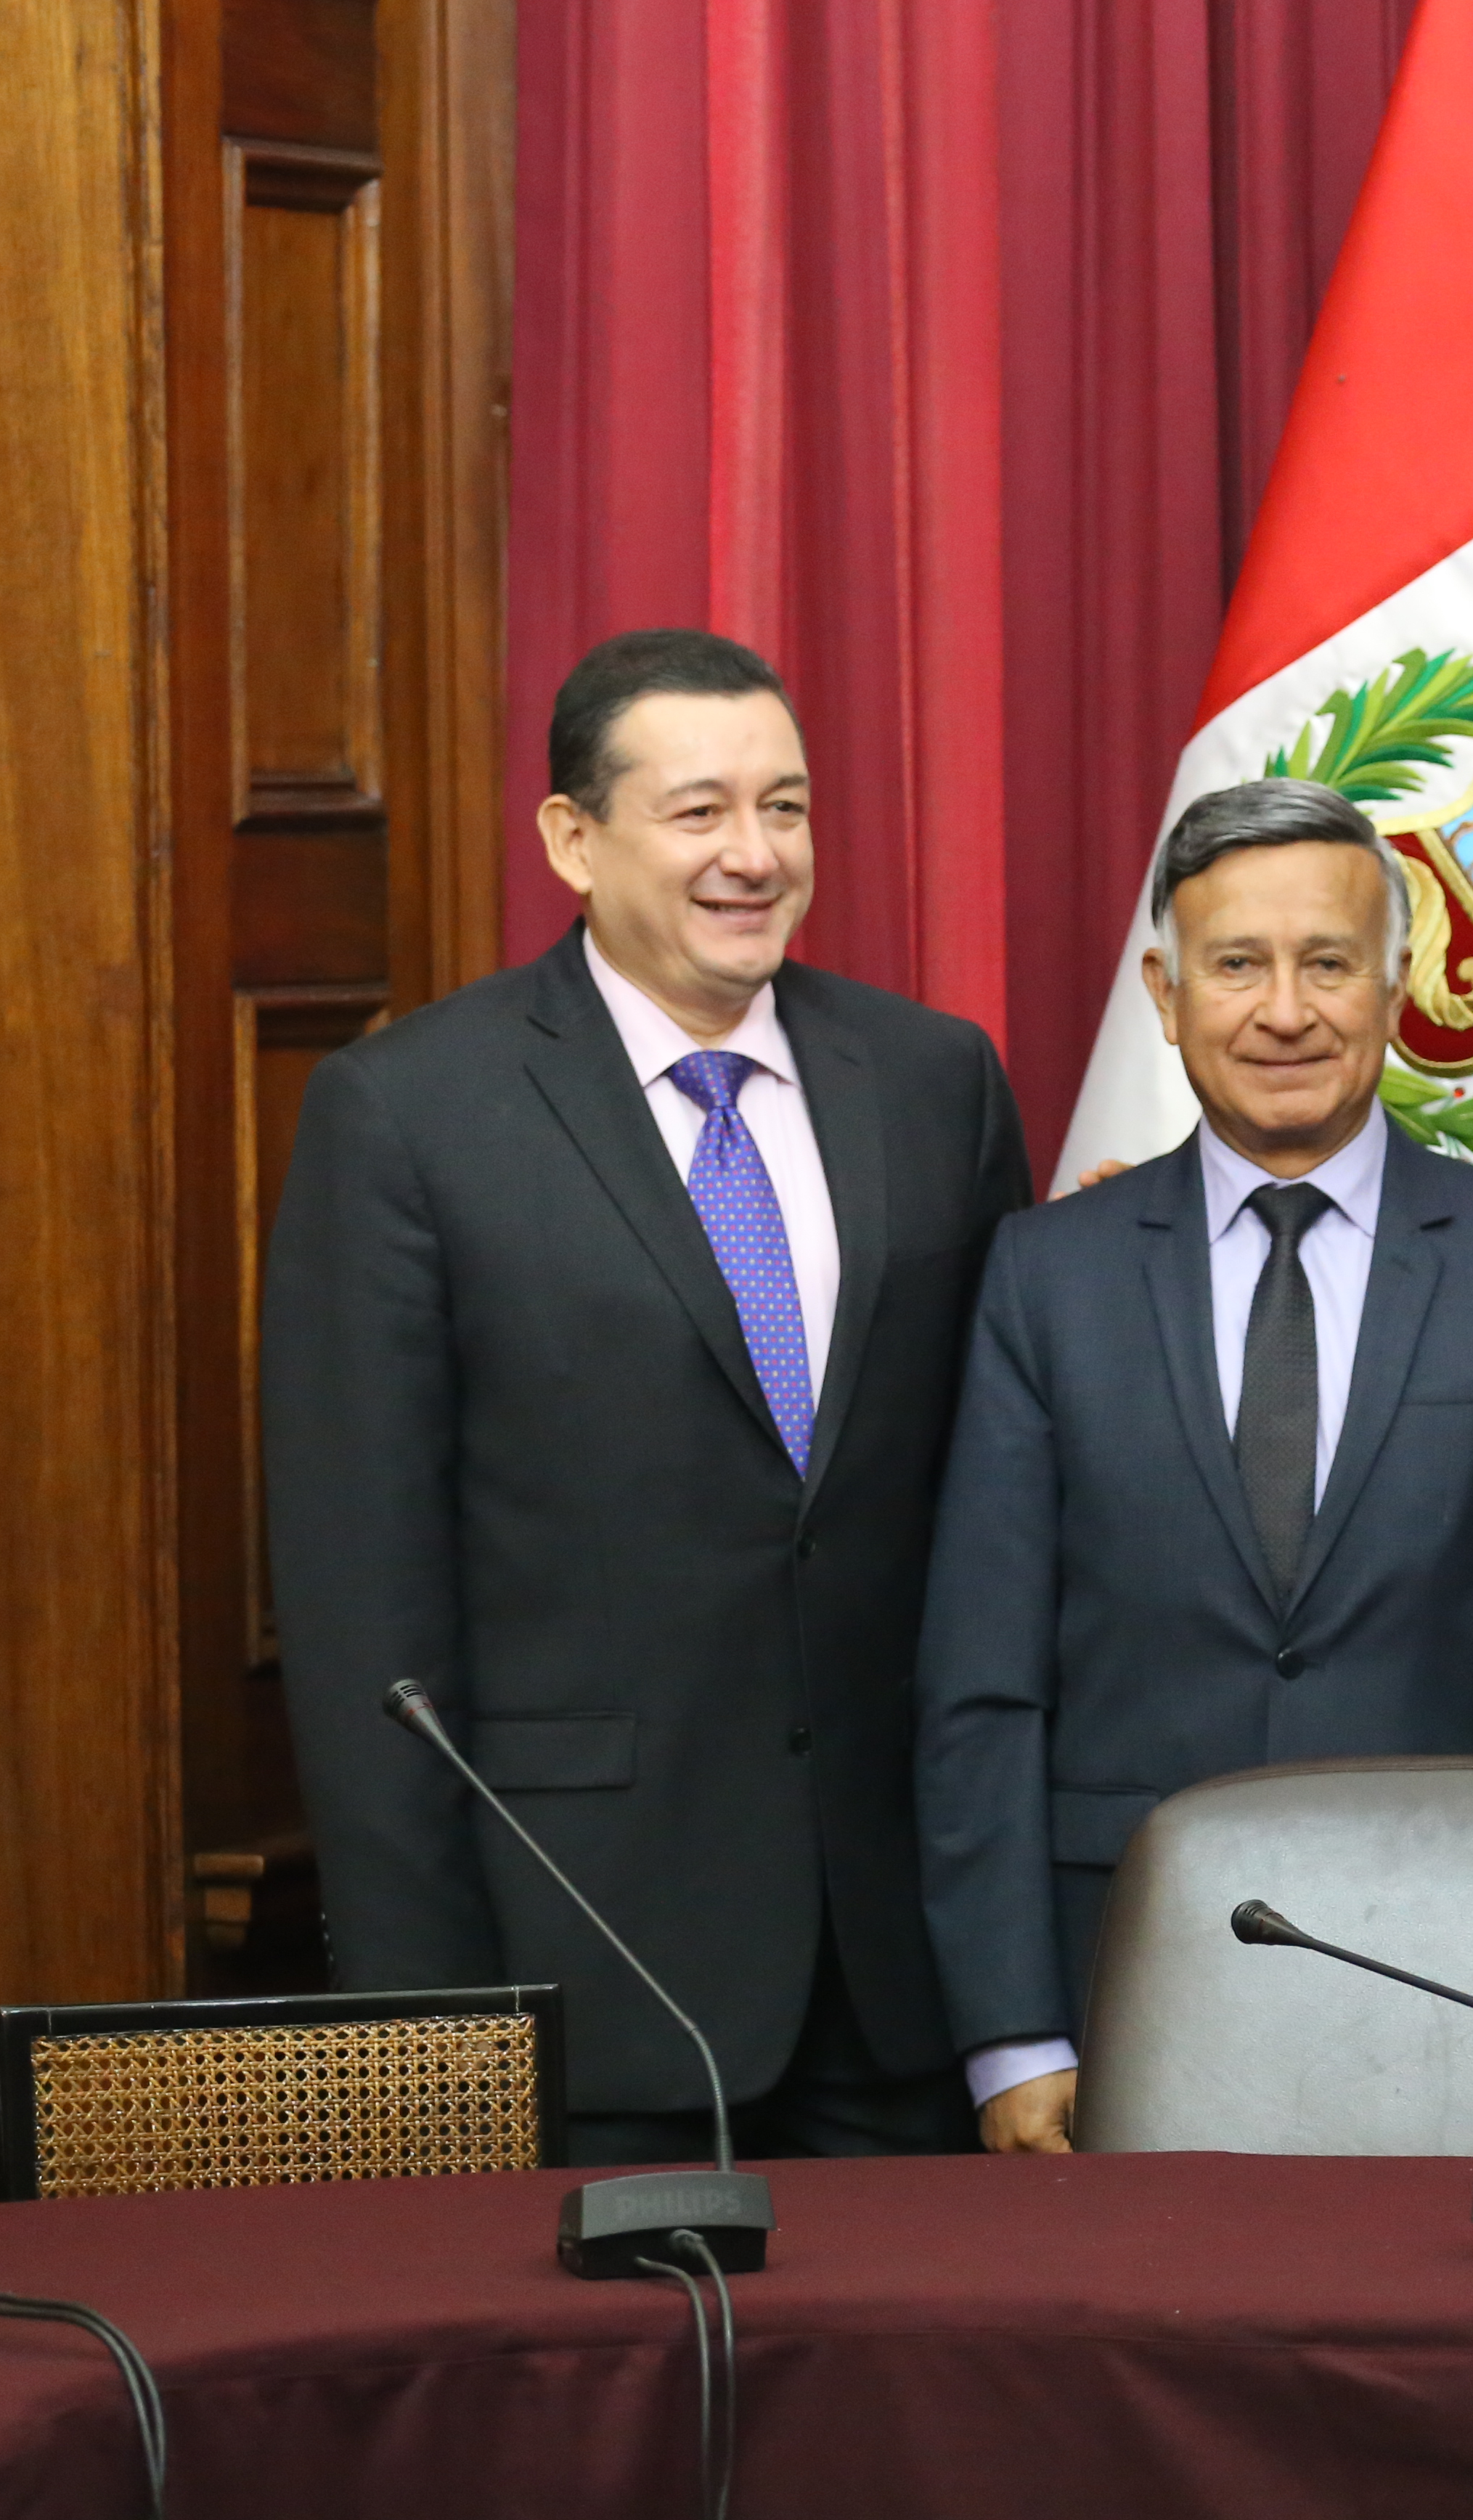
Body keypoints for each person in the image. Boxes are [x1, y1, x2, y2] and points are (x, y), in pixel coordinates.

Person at [265, 627, 1032, 2161]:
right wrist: (433, 2037)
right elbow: (366, 1609)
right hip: (589, 1980)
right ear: (572, 836)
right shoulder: (410, 1114)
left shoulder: (937, 1079)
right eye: (700, 812)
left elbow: (1003, 1517)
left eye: (789, 808)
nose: (754, 855)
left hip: (905, 1986)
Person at [915, 778, 1473, 2156]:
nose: (1286, 1010)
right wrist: (1013, 2036)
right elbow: (983, 1690)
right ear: (1165, 991)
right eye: (1238, 966)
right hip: (1120, 1978)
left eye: (1328, 963)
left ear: (1399, 980)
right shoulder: (1044, 1276)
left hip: (1465, 1981)